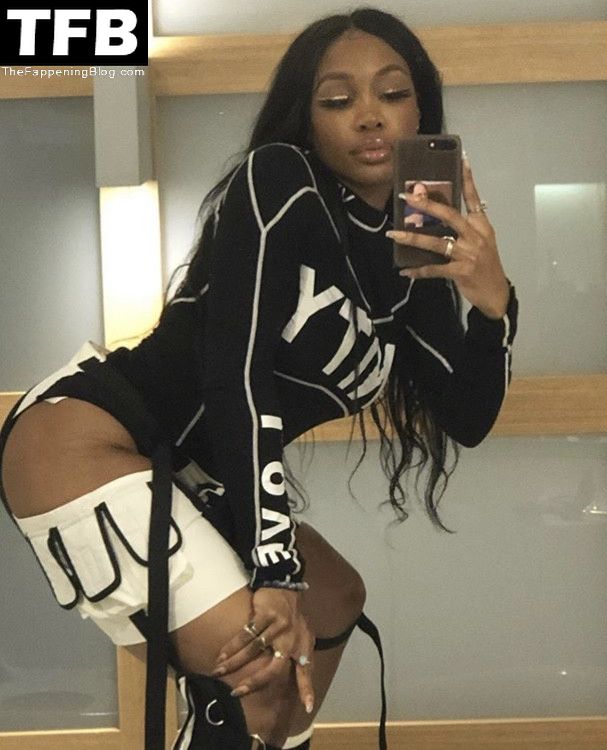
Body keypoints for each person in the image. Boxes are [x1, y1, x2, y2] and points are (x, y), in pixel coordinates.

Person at [0, 7, 518, 750]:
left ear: (420, 110)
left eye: (392, 93)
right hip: (87, 440)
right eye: (337, 99)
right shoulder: (280, 183)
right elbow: (238, 377)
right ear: (308, 118)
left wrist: (495, 307)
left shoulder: (415, 248)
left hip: (181, 473)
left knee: (333, 598)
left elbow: (466, 417)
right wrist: (274, 568)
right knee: (262, 663)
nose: (369, 116)